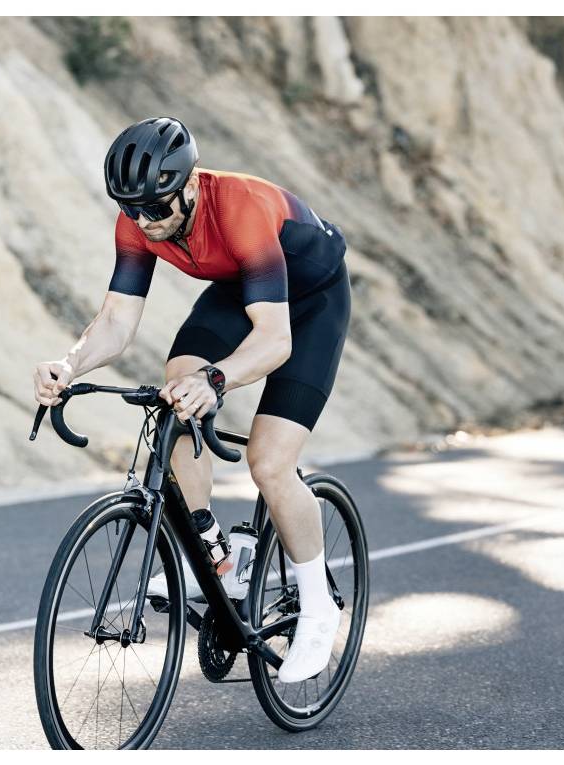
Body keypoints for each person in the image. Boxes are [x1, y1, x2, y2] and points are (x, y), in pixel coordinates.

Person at [33, 117, 351, 684]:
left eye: (156, 209)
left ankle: (318, 609)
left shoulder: (241, 209)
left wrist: (219, 380)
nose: (145, 223)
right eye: (133, 210)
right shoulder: (139, 219)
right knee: (176, 381)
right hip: (241, 293)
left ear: (188, 186)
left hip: (311, 305)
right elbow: (116, 319)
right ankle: (213, 552)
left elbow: (275, 340)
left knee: (270, 463)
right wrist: (69, 363)